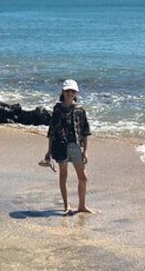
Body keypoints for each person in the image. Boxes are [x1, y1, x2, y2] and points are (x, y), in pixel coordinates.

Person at [44, 79, 93, 214]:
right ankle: (67, 206)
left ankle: (82, 206)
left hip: (76, 146)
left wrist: (85, 151)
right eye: (67, 91)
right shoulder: (57, 109)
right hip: (60, 145)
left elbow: (85, 131)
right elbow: (52, 131)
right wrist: (48, 151)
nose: (70, 93)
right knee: (63, 176)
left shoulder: (80, 110)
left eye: (72, 91)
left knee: (83, 177)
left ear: (76, 93)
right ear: (63, 92)